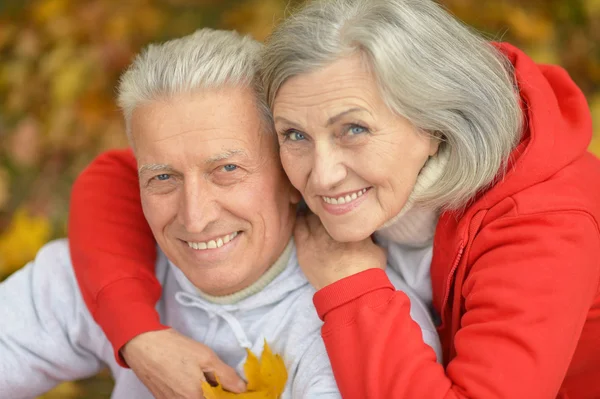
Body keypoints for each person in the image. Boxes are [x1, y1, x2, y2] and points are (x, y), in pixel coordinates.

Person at [68, 0, 600, 398]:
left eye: (353, 130)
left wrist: (352, 285)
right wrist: (138, 335)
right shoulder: (365, 132)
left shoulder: (545, 227)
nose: (322, 176)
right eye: (294, 135)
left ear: (435, 123)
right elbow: (119, 178)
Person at [0, 26, 440, 399]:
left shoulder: (359, 330)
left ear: (292, 175)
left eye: (227, 169)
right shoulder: (106, 270)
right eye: (163, 178)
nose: (195, 217)